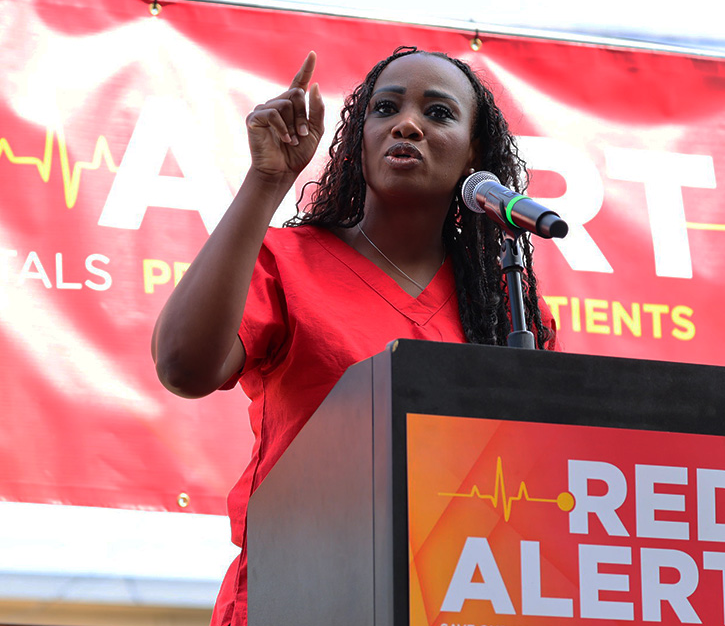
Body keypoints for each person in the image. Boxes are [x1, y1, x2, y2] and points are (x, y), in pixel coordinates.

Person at [151, 46, 558, 626]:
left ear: (476, 156)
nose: (406, 123)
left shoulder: (506, 308)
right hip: (300, 596)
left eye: (438, 113)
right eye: (384, 108)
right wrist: (268, 180)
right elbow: (183, 367)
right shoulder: (287, 262)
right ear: (360, 136)